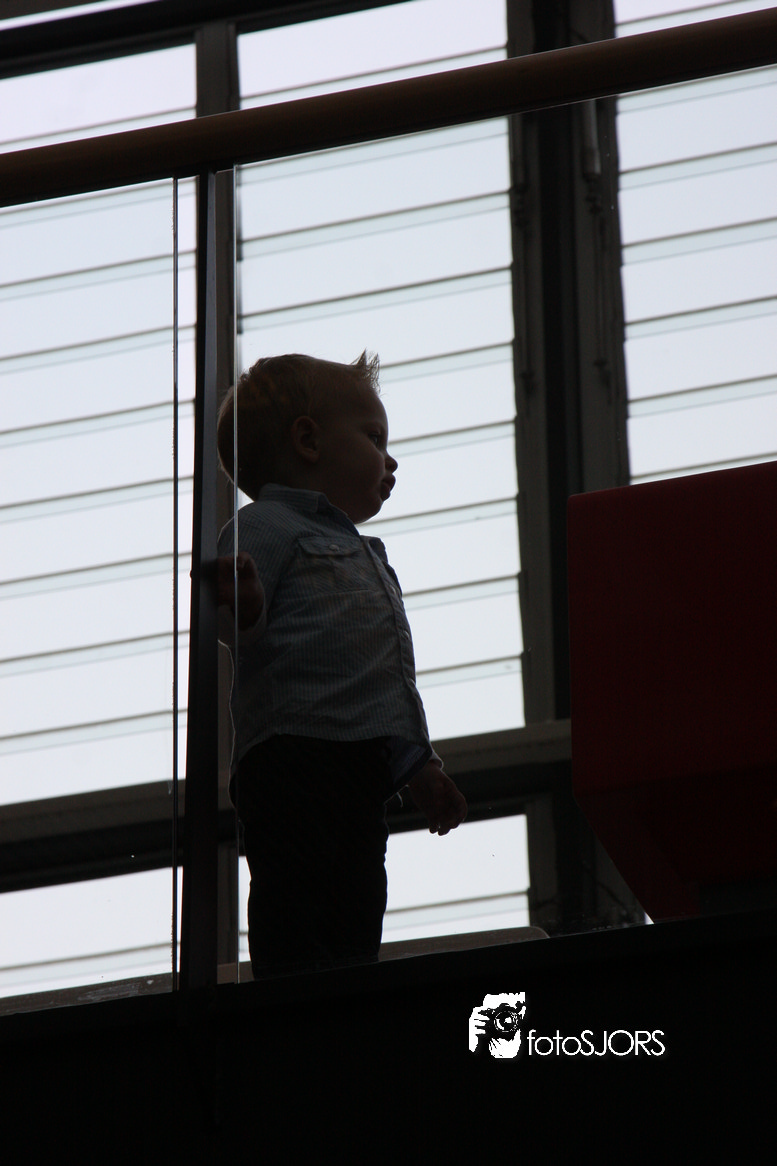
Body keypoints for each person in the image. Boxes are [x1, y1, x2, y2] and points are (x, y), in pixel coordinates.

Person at [215, 351, 467, 978]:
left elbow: (380, 684)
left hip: (359, 766)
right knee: (295, 890)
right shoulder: (265, 526)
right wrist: (244, 601)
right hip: (292, 754)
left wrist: (418, 766)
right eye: (375, 438)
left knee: (358, 892)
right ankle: (297, 1003)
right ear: (308, 440)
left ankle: (345, 995)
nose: (390, 459)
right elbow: (228, 627)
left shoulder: (363, 554)